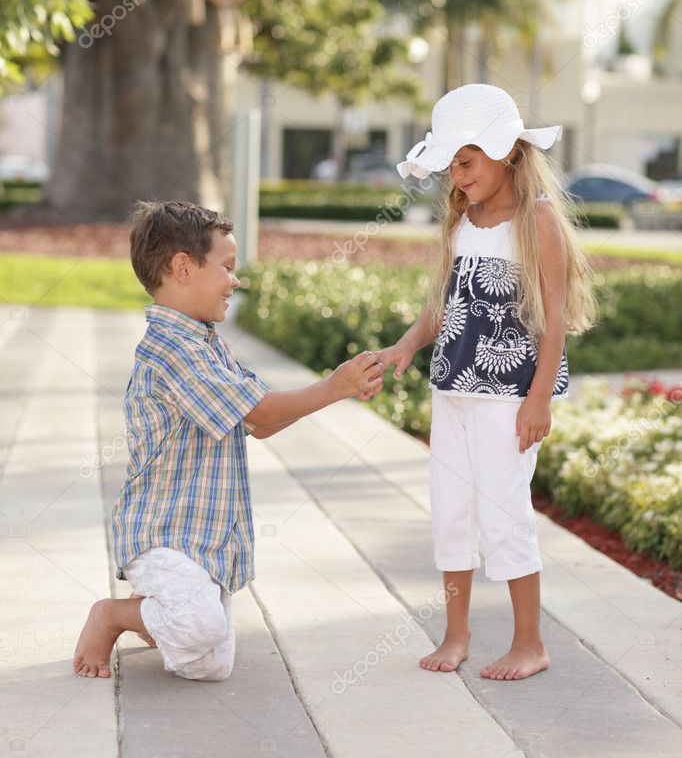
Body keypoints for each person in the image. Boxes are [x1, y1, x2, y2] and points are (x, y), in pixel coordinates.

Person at [73, 200, 384, 681]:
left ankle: (158, 608)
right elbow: (259, 411)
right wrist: (334, 385)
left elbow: (259, 422)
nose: (236, 280)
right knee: (200, 626)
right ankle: (112, 615)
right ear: (182, 268)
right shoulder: (173, 350)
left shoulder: (206, 342)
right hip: (165, 536)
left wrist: (334, 394)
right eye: (227, 267)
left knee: (210, 664)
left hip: (204, 541)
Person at [379, 84, 596, 681]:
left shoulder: (537, 219)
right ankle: (457, 634)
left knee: (503, 512)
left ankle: (530, 642)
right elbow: (442, 307)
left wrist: (537, 401)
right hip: (452, 389)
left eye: (467, 161)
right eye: (451, 164)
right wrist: (404, 346)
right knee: (451, 512)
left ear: (504, 153)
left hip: (510, 397)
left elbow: (553, 319)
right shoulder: (462, 220)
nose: (458, 175)